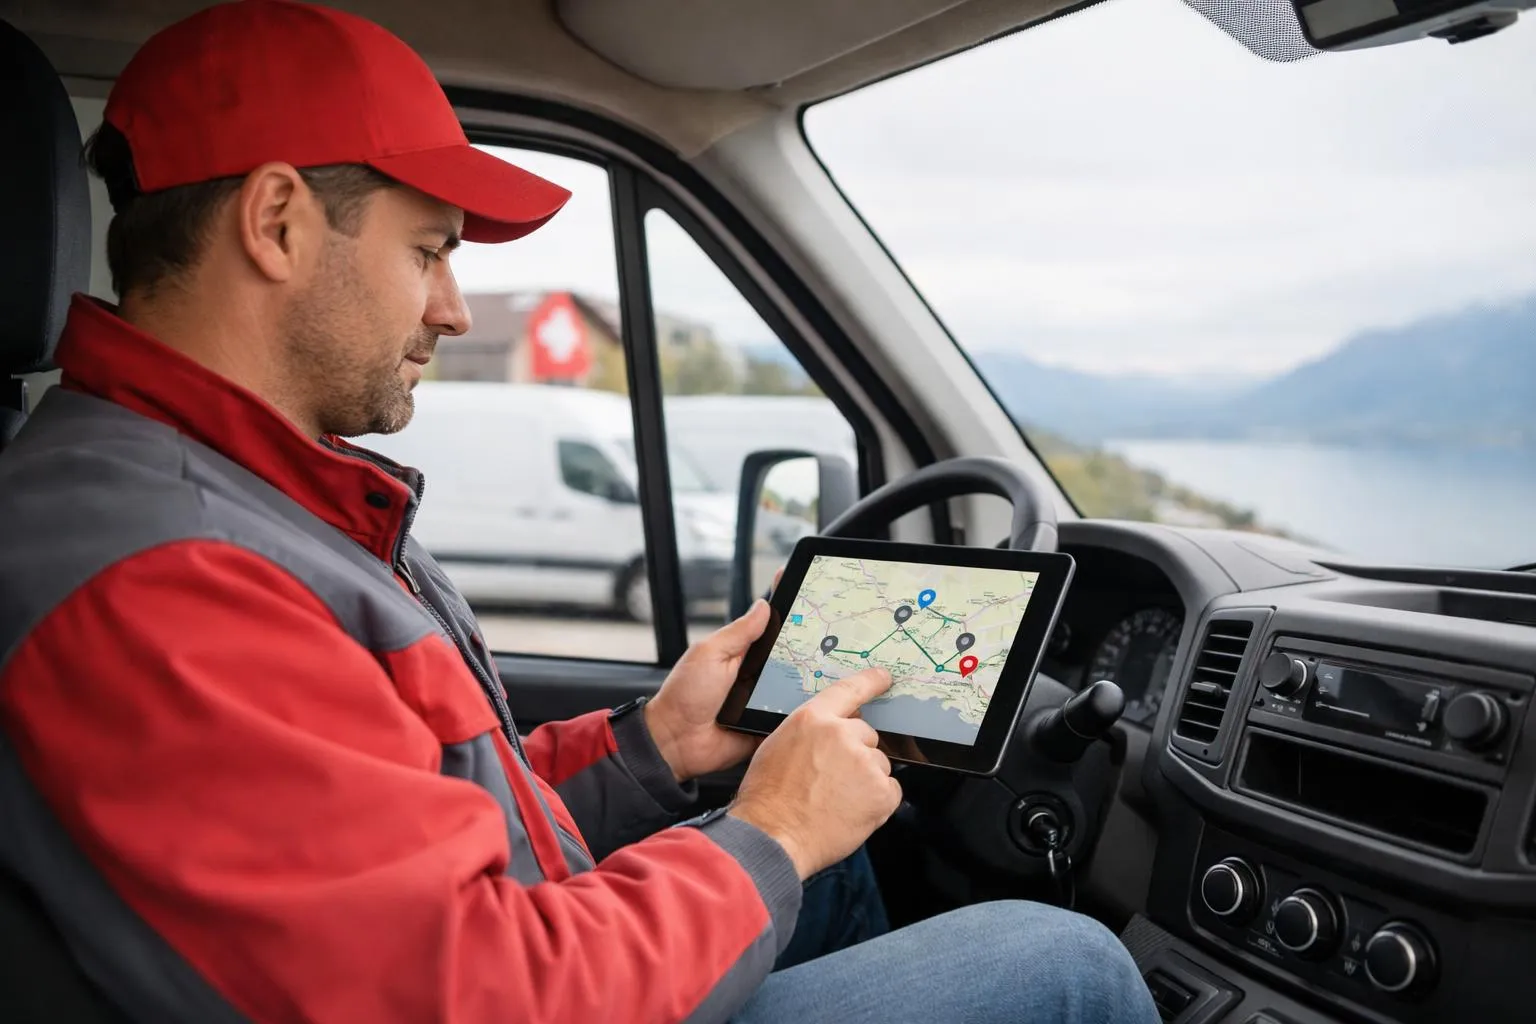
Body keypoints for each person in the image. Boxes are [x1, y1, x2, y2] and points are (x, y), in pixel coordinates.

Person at [0, 2, 1158, 1022]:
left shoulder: (239, 494)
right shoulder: (162, 575)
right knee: (1061, 962)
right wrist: (773, 831)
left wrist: (654, 749)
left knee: (839, 873)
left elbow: (413, 825)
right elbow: (469, 992)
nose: (455, 308)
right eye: (430, 250)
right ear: (279, 222)